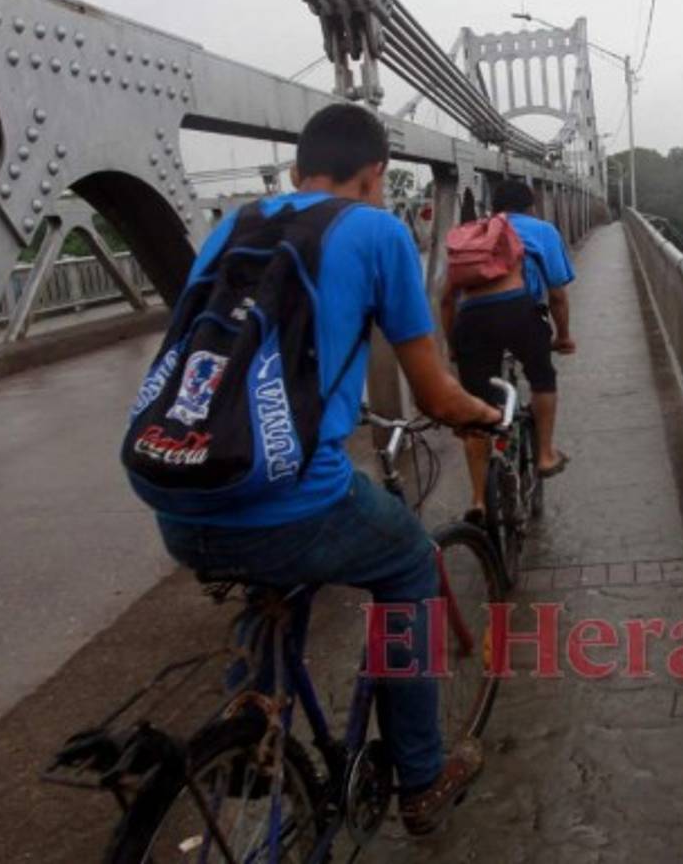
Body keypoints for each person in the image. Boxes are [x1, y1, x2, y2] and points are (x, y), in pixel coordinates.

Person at [153, 103, 501, 835]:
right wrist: (481, 415)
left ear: (293, 172)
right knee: (405, 563)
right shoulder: (379, 230)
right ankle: (421, 773)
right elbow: (434, 393)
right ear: (376, 175)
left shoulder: (233, 226)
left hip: (178, 500)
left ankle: (249, 740)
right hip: (293, 503)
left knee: (274, 568)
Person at [440, 178, 577, 522]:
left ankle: (477, 500)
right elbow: (557, 295)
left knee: (478, 409)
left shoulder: (475, 232)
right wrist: (564, 337)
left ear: (494, 208)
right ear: (532, 205)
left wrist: (455, 347)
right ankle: (544, 454)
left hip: (470, 320)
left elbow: (445, 300)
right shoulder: (542, 230)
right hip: (518, 311)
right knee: (543, 378)